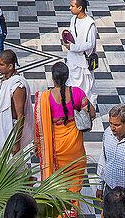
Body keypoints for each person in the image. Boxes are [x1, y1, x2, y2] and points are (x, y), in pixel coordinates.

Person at [34, 60, 93, 197]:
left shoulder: (45, 97)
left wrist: (37, 145)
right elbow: (92, 113)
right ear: (67, 76)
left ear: (53, 78)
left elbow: (39, 124)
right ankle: (73, 208)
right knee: (74, 180)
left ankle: (59, 210)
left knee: (58, 181)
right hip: (75, 146)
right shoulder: (77, 92)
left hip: (56, 147)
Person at [0, 49, 35, 153]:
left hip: (10, 131)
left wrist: (16, 142)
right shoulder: (6, 78)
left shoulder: (18, 86)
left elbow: (20, 116)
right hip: (1, 129)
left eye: (1, 64)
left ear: (10, 66)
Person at [62, 0, 98, 106]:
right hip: (72, 59)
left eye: (72, 6)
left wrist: (73, 47)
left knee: (85, 86)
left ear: (80, 8)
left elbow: (89, 44)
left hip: (83, 61)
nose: (70, 8)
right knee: (72, 83)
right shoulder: (73, 19)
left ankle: (87, 107)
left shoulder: (90, 24)